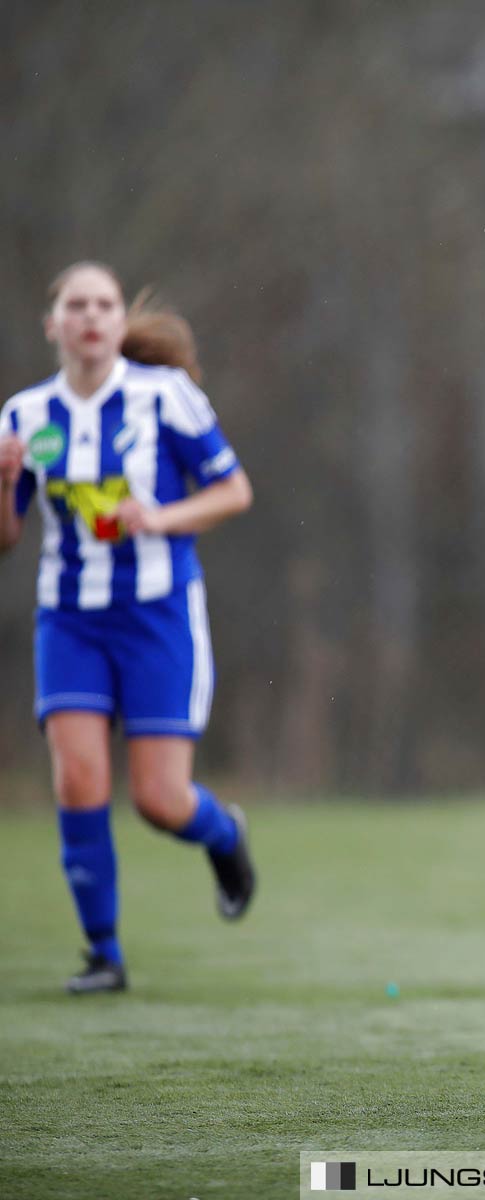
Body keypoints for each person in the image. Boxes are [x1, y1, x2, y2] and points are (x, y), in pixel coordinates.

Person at [0, 262, 256, 994]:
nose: (90, 317)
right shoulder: (23, 418)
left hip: (158, 616)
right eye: (75, 305)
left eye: (103, 304)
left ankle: (225, 835)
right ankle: (103, 954)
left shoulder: (165, 397)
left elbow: (233, 490)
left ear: (118, 323)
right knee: (79, 781)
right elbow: (6, 537)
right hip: (70, 619)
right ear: (52, 324)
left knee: (158, 800)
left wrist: (159, 517)